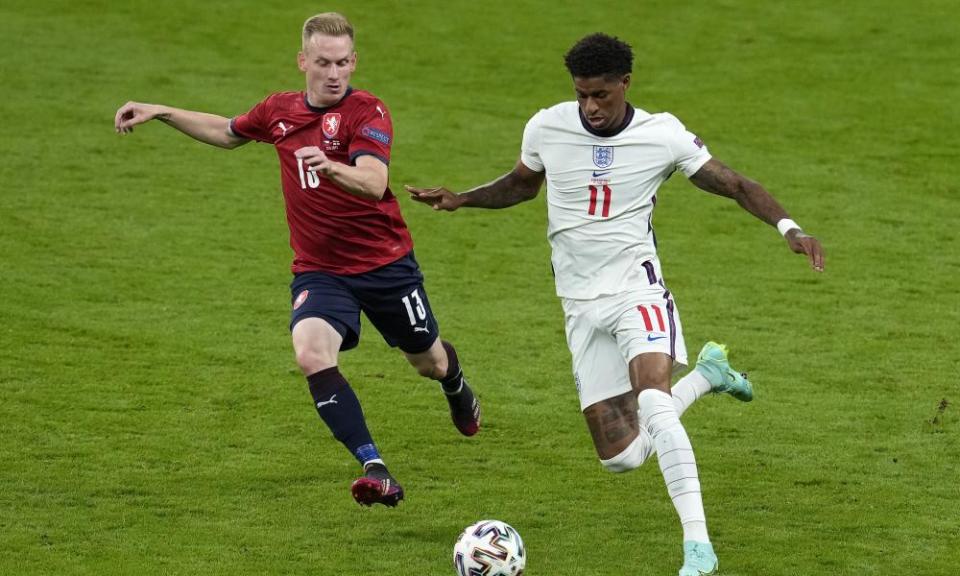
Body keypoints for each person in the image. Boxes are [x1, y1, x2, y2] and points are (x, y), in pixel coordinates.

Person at [407, 33, 824, 575]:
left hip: (636, 289)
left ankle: (698, 549)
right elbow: (522, 185)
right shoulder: (546, 126)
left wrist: (789, 227)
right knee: (622, 457)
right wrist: (463, 198)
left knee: (653, 401)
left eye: (601, 95)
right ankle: (708, 375)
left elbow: (736, 184)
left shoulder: (662, 135)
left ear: (625, 84)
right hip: (578, 303)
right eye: (582, 95)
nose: (590, 107)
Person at [114, 12, 481, 508]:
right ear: (303, 60)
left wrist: (331, 168)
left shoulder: (368, 112)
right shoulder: (278, 111)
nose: (335, 74)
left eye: (344, 63)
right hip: (320, 268)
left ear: (354, 62)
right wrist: (161, 110)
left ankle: (455, 384)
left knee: (429, 362)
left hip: (385, 266)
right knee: (310, 352)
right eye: (324, 63)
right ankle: (375, 467)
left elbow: (373, 183)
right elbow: (227, 132)